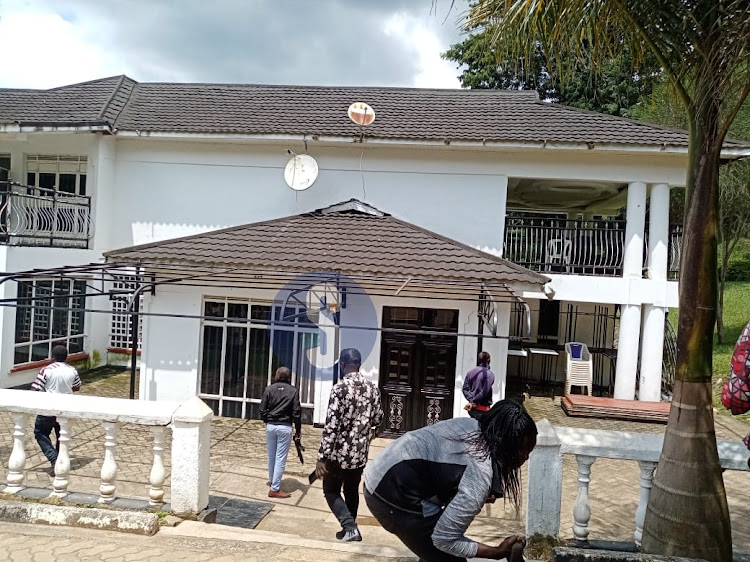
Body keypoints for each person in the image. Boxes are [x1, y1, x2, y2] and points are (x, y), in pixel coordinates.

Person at [363, 399, 537, 561]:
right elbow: (444, 539)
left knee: (432, 553)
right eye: (524, 452)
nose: (526, 458)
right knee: (449, 557)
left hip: (379, 470)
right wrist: (497, 552)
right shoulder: (479, 475)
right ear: (508, 447)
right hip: (388, 494)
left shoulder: (472, 425)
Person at [315, 348, 383, 542]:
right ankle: (350, 529)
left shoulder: (340, 388)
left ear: (343, 365)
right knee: (352, 490)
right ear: (359, 365)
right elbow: (378, 418)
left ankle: (349, 527)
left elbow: (331, 426)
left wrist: (322, 456)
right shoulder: (372, 388)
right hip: (360, 454)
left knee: (330, 490)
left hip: (339, 454)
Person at [30, 345, 82, 472]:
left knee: (40, 433)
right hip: (65, 408)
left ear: (53, 356)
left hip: (48, 407)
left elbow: (35, 388)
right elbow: (77, 387)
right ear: (66, 357)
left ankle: (54, 458)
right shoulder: (72, 370)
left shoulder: (47, 370)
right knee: (61, 435)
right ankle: (59, 460)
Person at [260, 366, 302, 499]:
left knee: (271, 456)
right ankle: (275, 489)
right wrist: (298, 431)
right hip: (285, 427)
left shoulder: (269, 389)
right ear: (289, 378)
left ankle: (273, 481)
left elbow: (262, 409)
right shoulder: (293, 391)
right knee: (280, 458)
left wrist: (267, 420)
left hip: (271, 426)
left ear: (276, 376)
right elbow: (296, 412)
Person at [462, 351, 495, 419]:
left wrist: (471, 401)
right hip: (483, 409)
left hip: (472, 409)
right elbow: (484, 392)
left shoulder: (470, 373)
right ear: (488, 360)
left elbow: (465, 389)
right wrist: (474, 401)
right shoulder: (489, 375)